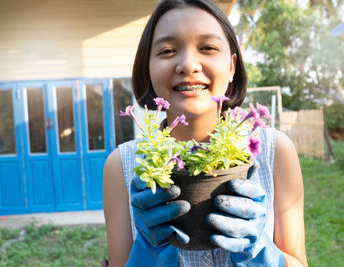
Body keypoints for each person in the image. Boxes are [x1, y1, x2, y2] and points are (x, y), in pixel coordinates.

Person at [103, 0, 307, 266]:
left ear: (232, 66)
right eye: (167, 50)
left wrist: (262, 253)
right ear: (148, 67)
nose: (188, 65)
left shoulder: (274, 151)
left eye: (207, 48)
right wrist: (147, 252)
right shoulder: (122, 166)